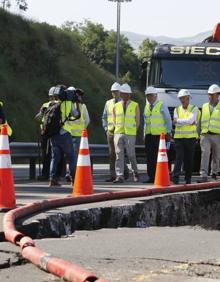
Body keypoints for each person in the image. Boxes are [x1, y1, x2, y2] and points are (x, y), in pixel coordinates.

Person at [49, 85, 80, 187]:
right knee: (71, 157)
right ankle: (74, 180)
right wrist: (77, 105)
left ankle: (52, 179)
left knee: (55, 158)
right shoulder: (68, 103)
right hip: (64, 133)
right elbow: (76, 114)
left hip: (53, 134)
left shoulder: (51, 104)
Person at [143, 86, 172, 183]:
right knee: (150, 157)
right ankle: (151, 177)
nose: (149, 98)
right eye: (147, 96)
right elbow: (146, 122)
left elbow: (168, 120)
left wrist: (168, 132)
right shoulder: (147, 106)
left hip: (160, 135)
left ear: (155, 96)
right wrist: (144, 133)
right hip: (149, 135)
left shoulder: (161, 105)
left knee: (162, 156)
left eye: (150, 96)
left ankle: (166, 175)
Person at [113, 83, 140, 183]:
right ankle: (119, 175)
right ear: (121, 94)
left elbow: (137, 121)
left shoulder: (135, 105)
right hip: (118, 132)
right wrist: (117, 129)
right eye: (124, 93)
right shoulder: (116, 106)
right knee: (118, 155)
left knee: (131, 154)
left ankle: (135, 172)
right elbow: (114, 119)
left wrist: (133, 130)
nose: (125, 95)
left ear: (130, 95)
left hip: (130, 133)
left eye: (127, 94)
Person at [102, 82, 129, 182]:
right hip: (110, 132)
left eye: (116, 92)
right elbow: (104, 117)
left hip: (121, 132)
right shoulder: (108, 103)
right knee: (112, 154)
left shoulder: (125, 102)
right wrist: (105, 128)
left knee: (120, 153)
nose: (114, 93)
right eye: (113, 92)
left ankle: (123, 172)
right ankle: (113, 175)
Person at [172, 89, 200, 184]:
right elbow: (177, 123)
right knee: (179, 157)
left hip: (190, 138)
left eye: (184, 98)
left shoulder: (194, 109)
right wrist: (186, 121)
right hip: (179, 138)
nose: (183, 100)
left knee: (189, 159)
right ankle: (175, 178)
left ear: (188, 98)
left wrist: (180, 121)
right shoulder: (177, 109)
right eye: (181, 98)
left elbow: (190, 120)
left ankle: (188, 179)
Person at [66, 86, 90, 182]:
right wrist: (82, 129)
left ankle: (70, 173)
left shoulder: (67, 105)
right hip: (78, 134)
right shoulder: (82, 106)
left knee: (70, 155)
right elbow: (87, 120)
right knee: (74, 155)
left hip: (70, 134)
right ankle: (72, 173)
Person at [198, 84, 220, 183]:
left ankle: (214, 173)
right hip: (205, 134)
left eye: (212, 94)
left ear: (217, 95)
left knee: (216, 155)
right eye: (209, 94)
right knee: (205, 154)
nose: (210, 96)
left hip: (217, 135)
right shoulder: (204, 106)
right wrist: (198, 134)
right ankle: (203, 175)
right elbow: (200, 121)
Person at [35, 86, 57, 180]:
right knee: (47, 154)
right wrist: (42, 113)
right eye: (50, 97)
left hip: (53, 133)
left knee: (53, 154)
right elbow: (37, 118)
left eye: (53, 97)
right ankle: (47, 174)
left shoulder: (58, 104)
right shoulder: (45, 105)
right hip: (46, 132)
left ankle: (52, 174)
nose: (51, 99)